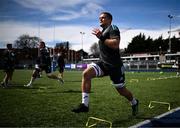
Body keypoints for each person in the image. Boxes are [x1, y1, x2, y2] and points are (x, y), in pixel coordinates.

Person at [72, 12, 139, 116]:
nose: (100, 19)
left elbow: (116, 44)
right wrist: (101, 36)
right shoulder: (103, 31)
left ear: (109, 20)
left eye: (103, 18)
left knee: (121, 91)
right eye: (99, 18)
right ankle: (85, 105)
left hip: (115, 66)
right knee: (86, 74)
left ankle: (134, 102)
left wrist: (101, 37)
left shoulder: (113, 28)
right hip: (103, 63)